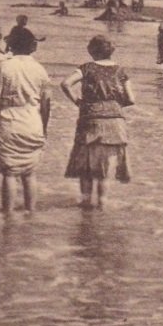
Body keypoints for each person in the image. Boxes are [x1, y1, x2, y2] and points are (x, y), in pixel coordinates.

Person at [61, 35, 135, 209]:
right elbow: (131, 99)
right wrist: (114, 105)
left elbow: (65, 84)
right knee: (104, 170)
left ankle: (86, 202)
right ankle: (102, 204)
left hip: (91, 118)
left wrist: (77, 101)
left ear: (92, 51)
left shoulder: (87, 68)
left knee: (86, 167)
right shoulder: (120, 71)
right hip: (115, 122)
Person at [0, 28, 52, 212]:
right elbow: (46, 103)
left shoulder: (5, 67)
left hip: (9, 121)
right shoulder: (40, 70)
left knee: (9, 173)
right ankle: (30, 212)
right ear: (32, 47)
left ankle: (8, 215)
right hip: (33, 122)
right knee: (29, 172)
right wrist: (44, 127)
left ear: (11, 46)